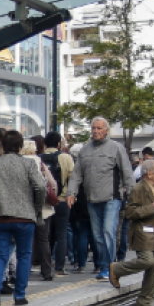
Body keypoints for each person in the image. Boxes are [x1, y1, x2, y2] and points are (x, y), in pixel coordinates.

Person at [0, 130, 46, 306]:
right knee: (24, 255)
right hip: (25, 217)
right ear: (20, 147)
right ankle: (19, 294)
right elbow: (41, 186)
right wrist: (36, 208)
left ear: (3, 147)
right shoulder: (28, 164)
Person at [65, 117, 133, 281]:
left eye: (99, 128)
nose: (95, 131)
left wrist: (131, 195)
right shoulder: (85, 150)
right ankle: (104, 266)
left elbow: (127, 173)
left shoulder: (116, 148)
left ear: (106, 130)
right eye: (94, 128)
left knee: (108, 231)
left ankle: (110, 265)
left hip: (112, 198)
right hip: (92, 199)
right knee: (97, 235)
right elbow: (77, 175)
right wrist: (71, 193)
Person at [109, 159, 154, 306]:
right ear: (149, 173)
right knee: (147, 260)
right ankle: (116, 269)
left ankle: (144, 302)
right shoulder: (138, 188)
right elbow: (130, 212)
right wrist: (152, 207)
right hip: (143, 233)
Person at [23, 138, 58, 282]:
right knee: (43, 240)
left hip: (25, 207)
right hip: (43, 208)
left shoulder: (20, 162)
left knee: (27, 240)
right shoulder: (40, 162)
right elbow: (53, 184)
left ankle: (24, 270)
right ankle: (47, 271)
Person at [41, 131, 74, 276]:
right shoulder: (66, 158)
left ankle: (46, 266)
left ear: (45, 144)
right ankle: (60, 267)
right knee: (61, 234)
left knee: (45, 236)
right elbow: (73, 178)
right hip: (62, 200)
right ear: (59, 144)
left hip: (44, 202)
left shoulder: (38, 158)